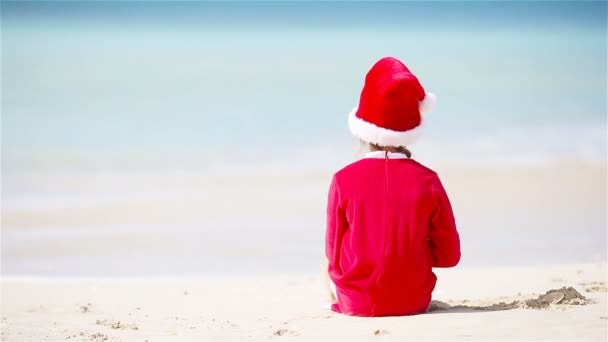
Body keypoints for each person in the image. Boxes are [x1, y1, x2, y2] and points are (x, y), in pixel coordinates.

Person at [324, 57, 461, 317]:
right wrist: (410, 249)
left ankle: (339, 300)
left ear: (363, 129)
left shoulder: (342, 179)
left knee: (326, 266)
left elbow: (333, 254)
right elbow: (449, 256)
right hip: (414, 301)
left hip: (358, 304)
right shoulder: (428, 180)